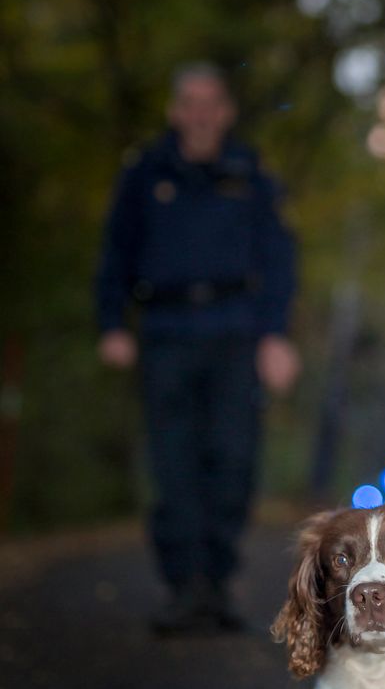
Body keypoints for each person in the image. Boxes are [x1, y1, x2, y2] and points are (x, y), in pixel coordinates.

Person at [95, 62, 300, 634]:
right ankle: (185, 585)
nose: (202, 113)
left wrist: (275, 334)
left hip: (235, 332)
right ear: (175, 111)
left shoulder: (250, 173)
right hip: (164, 332)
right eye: (191, 102)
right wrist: (112, 323)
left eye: (212, 102)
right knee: (174, 465)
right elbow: (116, 253)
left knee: (233, 460)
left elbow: (279, 257)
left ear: (226, 112)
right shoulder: (144, 174)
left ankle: (217, 578)